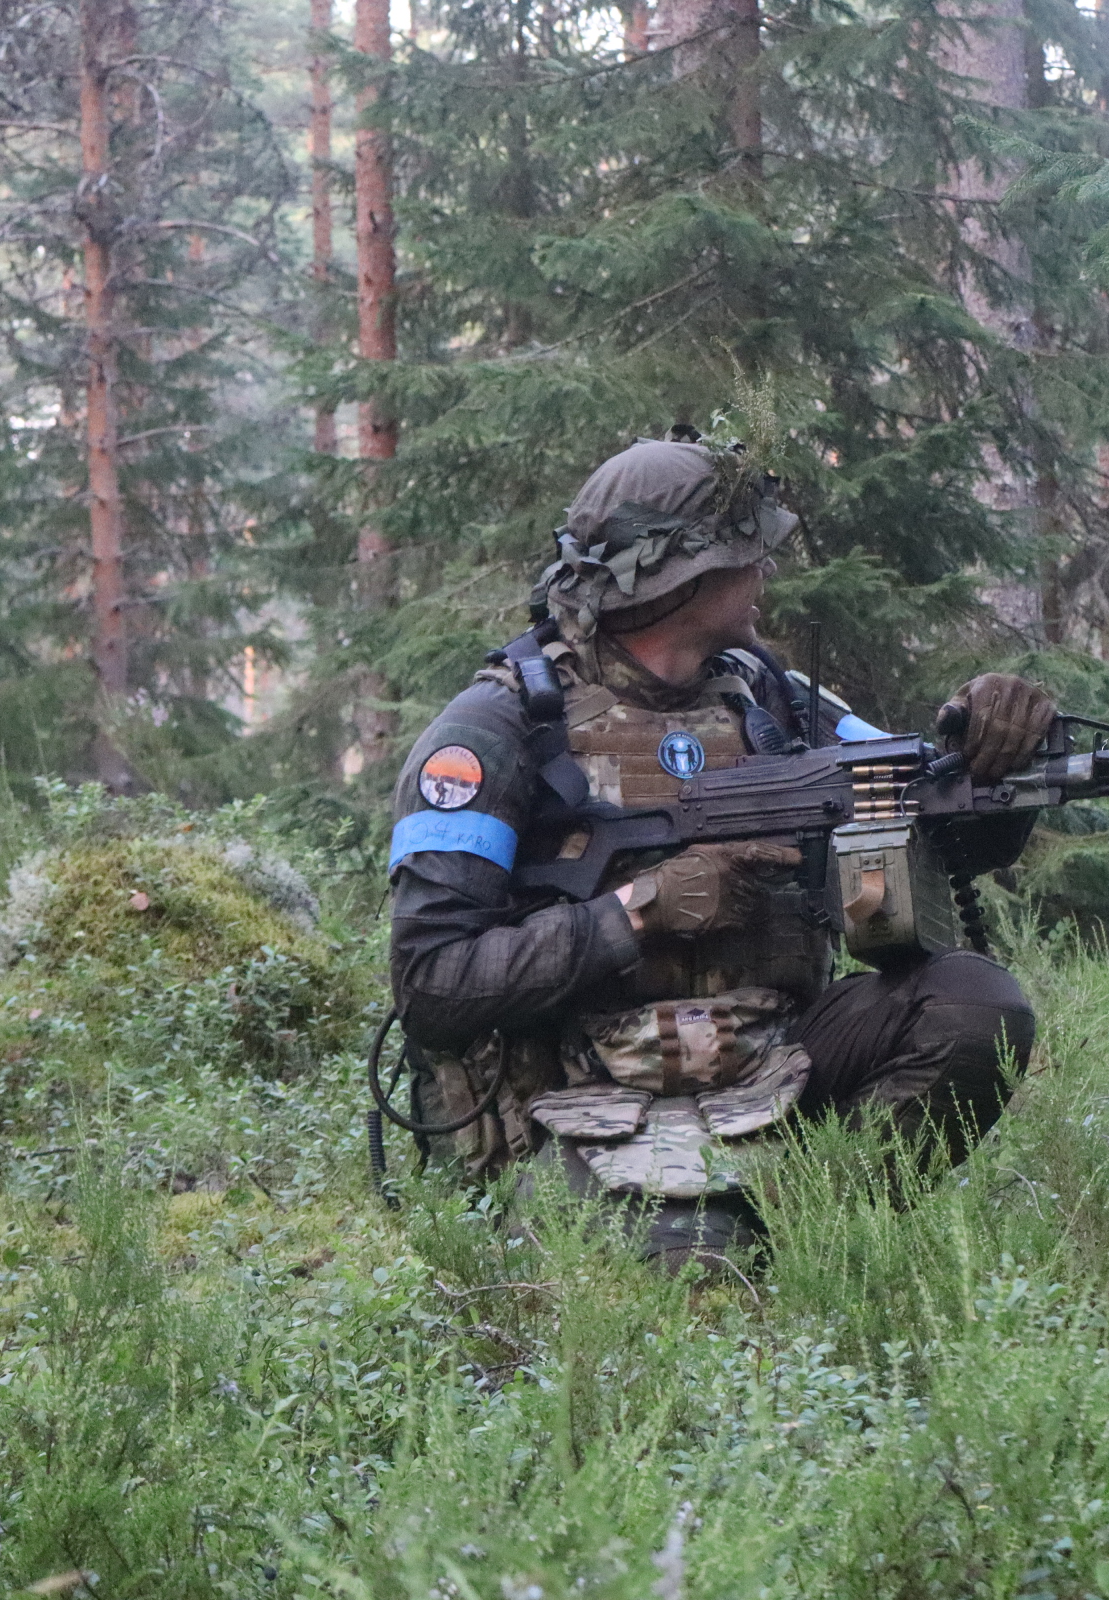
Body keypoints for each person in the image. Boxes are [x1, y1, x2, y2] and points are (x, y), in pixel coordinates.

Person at [383, 437, 1057, 1267]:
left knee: (974, 1007)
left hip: (771, 1073)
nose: (767, 569)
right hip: (573, 1102)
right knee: (690, 1279)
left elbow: (943, 816)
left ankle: (813, 1235)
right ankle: (704, 1240)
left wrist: (992, 748)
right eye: (749, 554)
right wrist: (640, 910)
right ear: (683, 579)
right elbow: (431, 984)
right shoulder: (495, 732)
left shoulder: (775, 700)